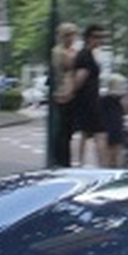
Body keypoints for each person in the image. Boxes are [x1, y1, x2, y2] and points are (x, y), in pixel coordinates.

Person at [69, 23, 112, 165]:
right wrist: (72, 92)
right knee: (100, 134)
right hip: (88, 102)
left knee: (85, 133)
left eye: (102, 37)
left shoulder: (86, 55)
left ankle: (79, 164)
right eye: (97, 37)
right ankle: (104, 167)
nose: (100, 40)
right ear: (89, 38)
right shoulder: (85, 56)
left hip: (87, 101)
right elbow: (79, 78)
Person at [46, 22, 81, 168]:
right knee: (62, 129)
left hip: (71, 91)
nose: (72, 38)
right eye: (69, 35)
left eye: (73, 35)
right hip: (63, 92)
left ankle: (63, 158)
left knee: (68, 129)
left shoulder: (71, 51)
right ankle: (60, 160)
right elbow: (67, 66)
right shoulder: (59, 52)